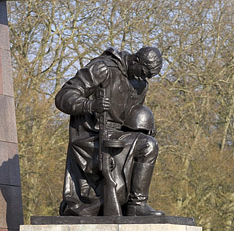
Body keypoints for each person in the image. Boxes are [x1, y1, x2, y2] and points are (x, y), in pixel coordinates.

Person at [55, 46, 164, 216]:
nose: (143, 79)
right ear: (135, 60)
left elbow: (130, 115)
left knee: (149, 145)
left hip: (118, 135)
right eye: (143, 72)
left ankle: (137, 204)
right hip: (92, 137)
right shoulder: (103, 68)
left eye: (148, 76)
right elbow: (64, 97)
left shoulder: (141, 83)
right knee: (138, 153)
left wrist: (145, 127)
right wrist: (90, 105)